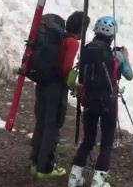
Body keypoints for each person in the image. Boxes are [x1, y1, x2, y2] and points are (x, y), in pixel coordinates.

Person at [67, 16, 133, 187]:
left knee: (88, 140)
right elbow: (129, 75)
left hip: (89, 101)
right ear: (112, 35)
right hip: (108, 103)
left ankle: (74, 177)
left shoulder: (86, 49)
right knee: (106, 142)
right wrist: (125, 58)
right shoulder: (116, 54)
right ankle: (98, 180)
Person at [30, 11, 89, 179]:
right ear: (81, 30)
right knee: (52, 126)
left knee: (41, 123)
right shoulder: (72, 43)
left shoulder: (57, 37)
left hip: (42, 84)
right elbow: (65, 69)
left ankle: (35, 163)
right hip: (56, 89)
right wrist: (73, 83)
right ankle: (45, 167)